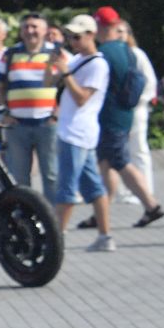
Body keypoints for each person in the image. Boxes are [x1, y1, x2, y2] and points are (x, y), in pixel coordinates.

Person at [92, 8, 164, 228]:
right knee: (105, 163)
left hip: (110, 117)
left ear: (100, 28)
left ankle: (151, 205)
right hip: (124, 113)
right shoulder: (127, 50)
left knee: (121, 162)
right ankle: (101, 211)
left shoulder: (105, 52)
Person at [50, 15, 115, 251]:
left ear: (91, 35)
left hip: (77, 132)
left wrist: (65, 72)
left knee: (66, 187)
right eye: (70, 37)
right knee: (94, 187)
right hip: (73, 130)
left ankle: (55, 239)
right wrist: (54, 66)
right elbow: (50, 82)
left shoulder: (98, 64)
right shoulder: (78, 59)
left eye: (77, 37)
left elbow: (82, 98)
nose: (73, 41)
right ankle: (105, 237)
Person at [0, 13, 59, 200]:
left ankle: (54, 222)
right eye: (26, 27)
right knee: (19, 177)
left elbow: (66, 84)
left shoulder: (56, 54)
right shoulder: (10, 55)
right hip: (17, 124)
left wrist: (58, 113)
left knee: (52, 175)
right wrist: (3, 112)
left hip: (47, 123)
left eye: (35, 27)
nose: (30, 31)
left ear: (45, 30)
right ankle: (26, 220)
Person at [117, 20, 159, 205]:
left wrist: (138, 101)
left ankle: (146, 189)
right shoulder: (109, 55)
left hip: (136, 109)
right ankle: (124, 190)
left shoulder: (136, 54)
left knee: (139, 150)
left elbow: (150, 82)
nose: (119, 35)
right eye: (116, 31)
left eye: (122, 31)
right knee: (120, 151)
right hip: (117, 112)